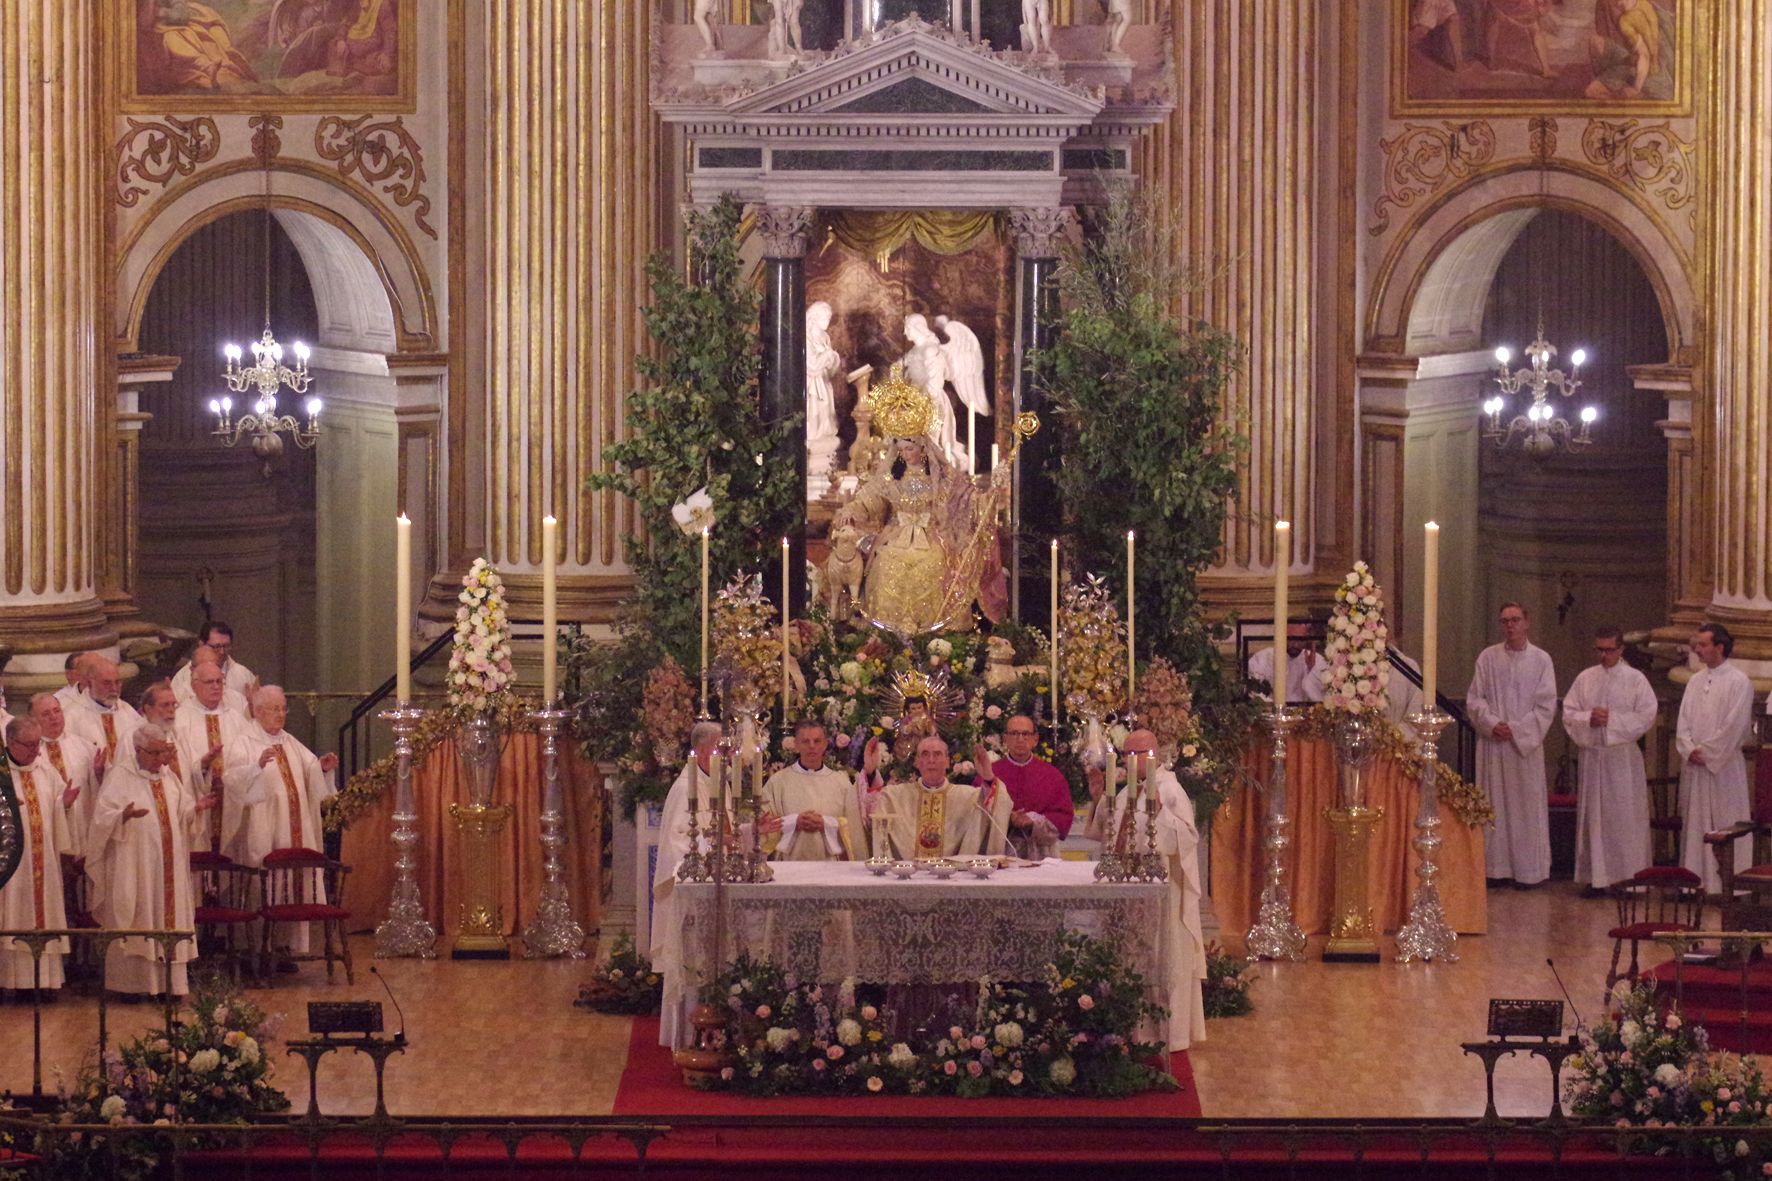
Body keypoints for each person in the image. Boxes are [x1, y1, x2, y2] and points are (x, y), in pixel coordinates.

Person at [1082, 729, 1206, 1048]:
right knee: (1130, 956)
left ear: (1153, 756)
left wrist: (1162, 812)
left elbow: (1188, 839)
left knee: (1160, 956)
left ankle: (1166, 1034)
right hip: (1128, 889)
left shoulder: (1170, 790)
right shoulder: (1124, 792)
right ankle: (1132, 1030)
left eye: (1134, 753)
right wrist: (1099, 800)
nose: (1127, 759)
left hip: (1161, 893)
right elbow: (1104, 835)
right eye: (1125, 754)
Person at [87, 724, 215, 998]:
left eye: (164, 752)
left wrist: (196, 809)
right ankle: (131, 987)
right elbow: (100, 820)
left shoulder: (169, 778)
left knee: (169, 918)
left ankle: (171, 986)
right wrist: (122, 816)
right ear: (137, 750)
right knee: (137, 916)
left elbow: (181, 812)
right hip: (135, 867)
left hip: (169, 867)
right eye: (155, 753)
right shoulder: (120, 777)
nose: (161, 759)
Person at [232, 686, 339, 958]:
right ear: (257, 712)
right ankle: (261, 948)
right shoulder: (244, 741)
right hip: (265, 827)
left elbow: (309, 768)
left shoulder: (289, 740)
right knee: (267, 883)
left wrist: (322, 767)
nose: (281, 715)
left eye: (283, 709)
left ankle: (289, 949)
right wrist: (255, 767)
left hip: (296, 828)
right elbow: (232, 780)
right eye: (275, 709)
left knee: (296, 885)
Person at [1466, 602, 1557, 888]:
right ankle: (1495, 869)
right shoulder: (1487, 658)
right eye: (1505, 620)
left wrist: (1516, 729)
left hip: (1523, 749)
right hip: (1494, 745)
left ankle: (1529, 871)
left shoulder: (1542, 660)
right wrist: (1493, 724)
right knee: (1494, 805)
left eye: (1515, 620)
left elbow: (1546, 705)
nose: (1510, 625)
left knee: (1525, 807)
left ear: (1526, 623)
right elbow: (1475, 699)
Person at [1561, 626, 1658, 892]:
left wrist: (1612, 720)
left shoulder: (1635, 679)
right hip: (1594, 757)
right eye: (1600, 650)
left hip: (1622, 759)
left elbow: (1647, 715)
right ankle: (1596, 879)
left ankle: (1628, 879)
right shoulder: (1585, 678)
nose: (1604, 655)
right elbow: (1569, 713)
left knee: (1624, 819)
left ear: (1621, 649)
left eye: (1609, 650)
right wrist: (1588, 718)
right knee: (1594, 818)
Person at [653, 720, 722, 1048]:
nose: (724, 755)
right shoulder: (686, 787)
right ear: (706, 751)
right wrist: (720, 844)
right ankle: (689, 1033)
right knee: (693, 961)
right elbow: (681, 844)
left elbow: (722, 831)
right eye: (721, 748)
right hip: (694, 894)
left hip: (713, 889)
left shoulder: (711, 782)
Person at [1675, 623, 1754, 893]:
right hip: (1697, 768)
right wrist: (1688, 748)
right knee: (1696, 824)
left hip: (1724, 768)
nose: (1697, 649)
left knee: (1725, 821)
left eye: (1703, 644)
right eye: (1697, 644)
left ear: (1719, 647)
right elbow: (1682, 722)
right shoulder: (1695, 681)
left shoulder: (1739, 682)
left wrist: (1706, 753)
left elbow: (1735, 726)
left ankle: (1728, 885)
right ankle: (1695, 883)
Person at [1, 717, 75, 994]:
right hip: (10, 866)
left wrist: (64, 805)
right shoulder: (1, 773)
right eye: (29, 745)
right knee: (12, 917)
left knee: (44, 913)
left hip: (43, 862)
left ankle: (44, 983)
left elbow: (56, 807)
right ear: (10, 742)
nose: (36, 752)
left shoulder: (45, 770)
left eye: (37, 744)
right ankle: (9, 982)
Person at [175, 661, 256, 854]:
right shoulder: (181, 719)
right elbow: (177, 766)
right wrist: (203, 765)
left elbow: (250, 754)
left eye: (220, 681)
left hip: (231, 799)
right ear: (194, 686)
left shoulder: (236, 718)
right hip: (199, 798)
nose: (216, 686)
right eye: (210, 682)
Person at [759, 720, 866, 861]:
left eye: (817, 741)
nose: (811, 746)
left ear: (825, 744)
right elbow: (763, 824)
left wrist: (825, 823)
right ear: (796, 745)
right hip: (790, 863)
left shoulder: (841, 782)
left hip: (831, 865)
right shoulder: (778, 782)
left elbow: (853, 826)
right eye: (805, 741)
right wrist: (794, 822)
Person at [971, 715, 1073, 860]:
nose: (1020, 739)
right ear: (1005, 739)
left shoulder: (1052, 776)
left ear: (1035, 739)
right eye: (1014, 733)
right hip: (998, 853)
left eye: (1025, 734)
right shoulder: (989, 772)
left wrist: (1032, 821)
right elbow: (976, 812)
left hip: (1039, 854)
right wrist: (1006, 817)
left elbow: (1062, 817)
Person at [868, 737, 988, 860]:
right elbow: (868, 813)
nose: (931, 760)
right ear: (917, 762)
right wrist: (869, 773)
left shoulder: (968, 797)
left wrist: (988, 777)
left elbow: (996, 804)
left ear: (947, 761)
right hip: (906, 874)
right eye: (925, 754)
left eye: (937, 754)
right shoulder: (894, 796)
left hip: (954, 874)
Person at [30, 692, 103, 857]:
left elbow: (99, 794)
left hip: (82, 827)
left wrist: (99, 774)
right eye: (46, 714)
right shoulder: (29, 753)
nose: (54, 717)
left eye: (57, 711)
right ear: (33, 719)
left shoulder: (84, 747)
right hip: (47, 834)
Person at [65, 656, 143, 766]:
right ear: (89, 683)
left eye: (117, 682)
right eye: (107, 683)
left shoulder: (127, 711)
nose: (114, 688)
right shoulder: (72, 716)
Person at [170, 622, 257, 707]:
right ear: (201, 644)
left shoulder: (243, 675)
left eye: (226, 646)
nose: (222, 652)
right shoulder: (182, 677)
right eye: (216, 646)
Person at [1246, 623, 1328, 705]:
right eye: (1290, 639)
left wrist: (1311, 670)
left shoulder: (1317, 660)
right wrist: (1275, 707)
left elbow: (1322, 698)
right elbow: (1253, 690)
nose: (1295, 644)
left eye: (1299, 639)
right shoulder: (1264, 657)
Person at [171, 644, 250, 715]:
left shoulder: (235, 699)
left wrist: (252, 710)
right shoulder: (176, 697)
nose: (211, 671)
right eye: (204, 667)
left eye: (215, 667)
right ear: (192, 670)